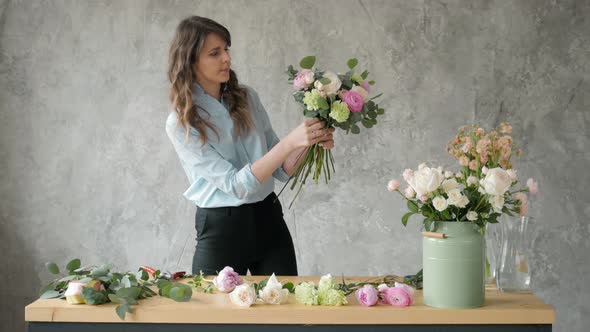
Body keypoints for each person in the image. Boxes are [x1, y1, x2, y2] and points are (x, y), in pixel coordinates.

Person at [165, 16, 335, 276]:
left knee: (284, 309)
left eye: (226, 50)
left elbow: (281, 169)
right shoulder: (181, 122)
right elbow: (237, 186)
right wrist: (292, 140)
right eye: (215, 53)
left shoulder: (247, 98)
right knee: (215, 315)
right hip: (222, 229)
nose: (226, 59)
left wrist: (310, 140)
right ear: (190, 60)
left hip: (268, 219)